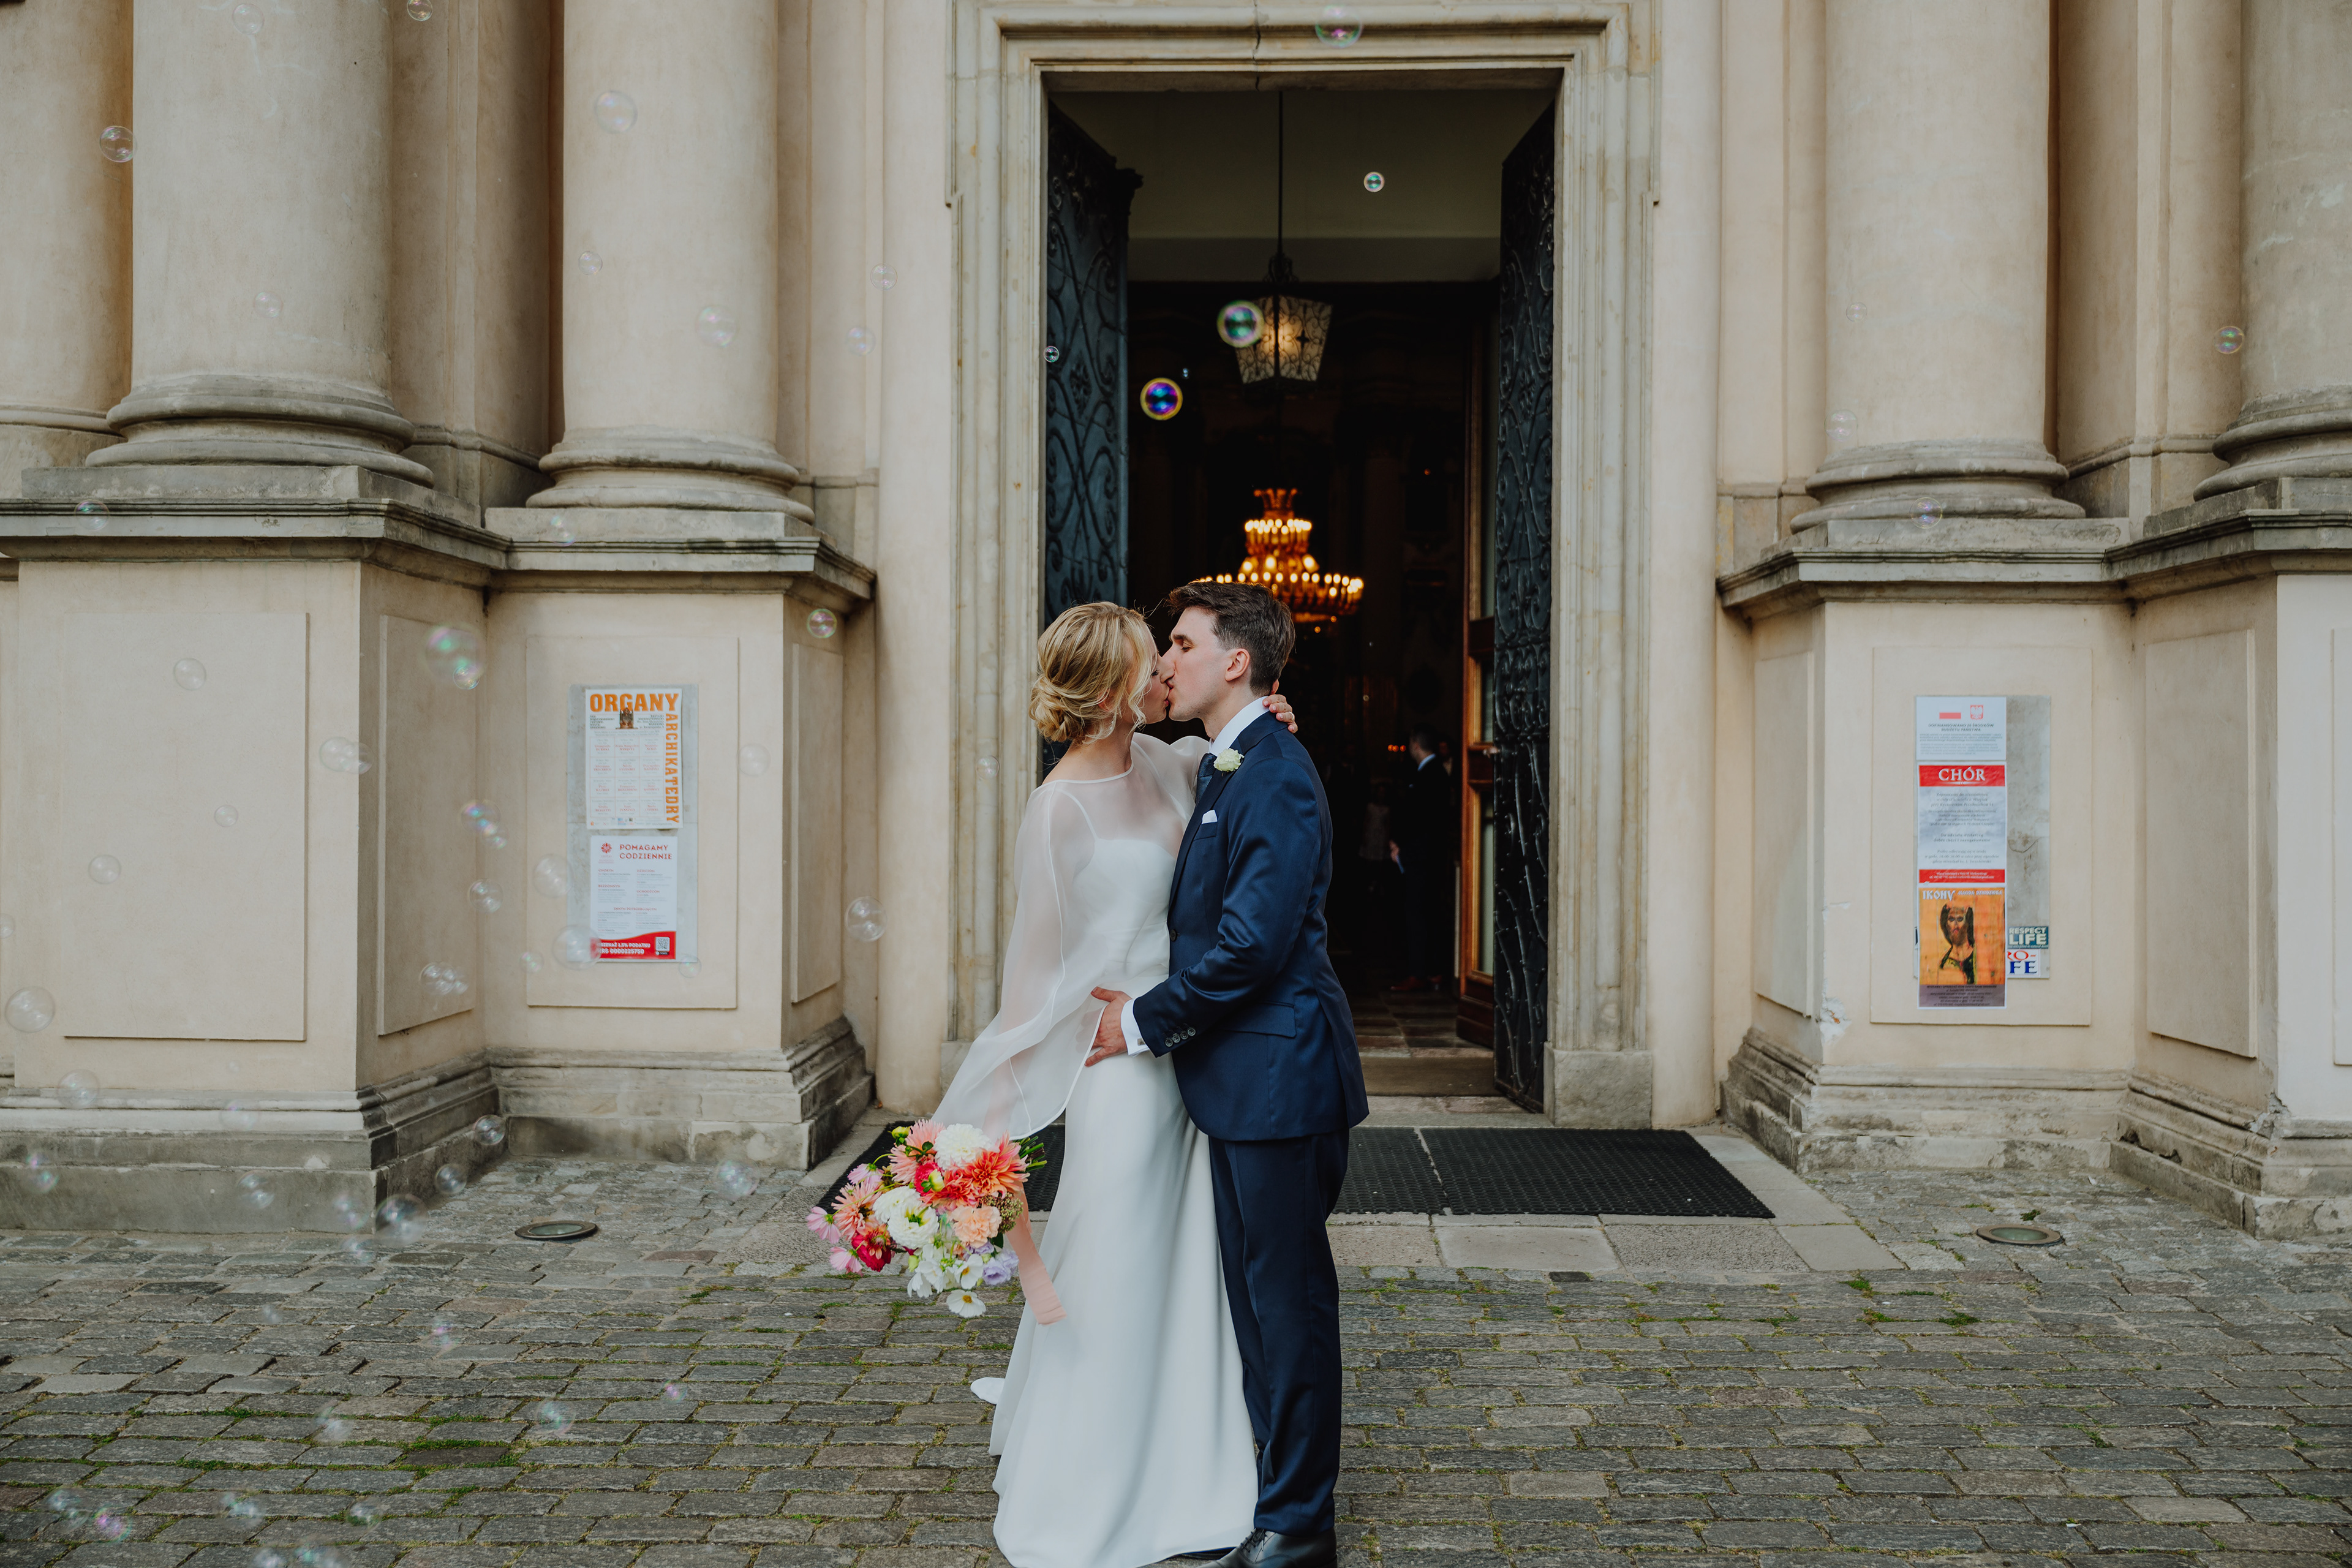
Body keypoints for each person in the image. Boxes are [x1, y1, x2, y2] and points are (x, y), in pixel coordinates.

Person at [933, 601, 1300, 1568]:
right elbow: (1031, 981)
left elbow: (1242, 766)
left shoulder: (1175, 763)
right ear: (1111, 690)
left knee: (1191, 1269)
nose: (1169, 672)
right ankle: (1093, 1487)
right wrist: (988, 1123)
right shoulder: (1058, 810)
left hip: (1192, 1052)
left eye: (1173, 654)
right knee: (1121, 1260)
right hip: (1121, 1071)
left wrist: (1272, 715)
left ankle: (1191, 1463)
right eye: (1153, 661)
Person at [1086, 580, 1370, 1568]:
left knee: (1289, 1306)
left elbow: (1253, 946)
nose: (1167, 659)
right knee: (1259, 1303)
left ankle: (1299, 1524)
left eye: (1182, 643)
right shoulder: (1228, 759)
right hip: (1243, 1083)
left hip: (1283, 1080)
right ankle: (1273, 1490)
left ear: (1236, 661)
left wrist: (1141, 1022)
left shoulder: (1273, 774)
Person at [1387, 723, 1456, 993]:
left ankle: (1419, 973)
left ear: (1416, 745)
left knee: (1417, 914)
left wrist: (1399, 844)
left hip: (1422, 856)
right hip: (1430, 855)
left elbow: (1419, 818)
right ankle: (1434, 971)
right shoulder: (1434, 771)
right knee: (1430, 913)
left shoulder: (1430, 773)